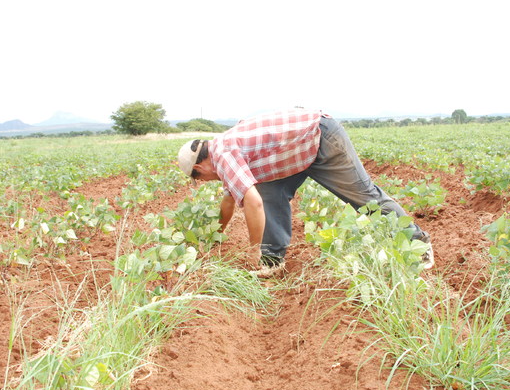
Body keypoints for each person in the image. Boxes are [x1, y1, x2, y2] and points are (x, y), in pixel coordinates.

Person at [176, 108, 433, 276]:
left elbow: (251, 204)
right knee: (269, 191)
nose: (205, 181)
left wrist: (252, 250)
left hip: (321, 139)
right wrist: (214, 237)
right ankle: (273, 261)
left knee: (365, 197)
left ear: (200, 167)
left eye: (199, 179)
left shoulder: (224, 155)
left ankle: (419, 243)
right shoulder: (222, 149)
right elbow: (228, 201)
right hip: (295, 154)